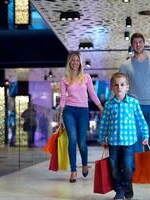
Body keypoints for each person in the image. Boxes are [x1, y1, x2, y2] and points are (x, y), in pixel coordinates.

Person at [98, 72, 149, 200]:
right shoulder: (109, 105)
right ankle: (119, 191)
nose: (119, 87)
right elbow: (104, 122)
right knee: (114, 168)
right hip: (113, 143)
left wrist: (145, 135)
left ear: (127, 87)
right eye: (116, 85)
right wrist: (102, 137)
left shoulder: (133, 103)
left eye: (122, 84)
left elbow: (141, 120)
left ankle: (127, 185)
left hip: (129, 142)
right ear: (112, 87)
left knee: (128, 166)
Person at [59, 51, 103, 183]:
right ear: (69, 62)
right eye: (72, 60)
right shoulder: (64, 79)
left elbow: (92, 94)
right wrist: (60, 115)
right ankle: (73, 171)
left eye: (77, 60)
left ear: (80, 62)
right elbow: (62, 97)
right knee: (72, 140)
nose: (75, 62)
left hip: (83, 111)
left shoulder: (86, 77)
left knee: (82, 143)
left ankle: (84, 163)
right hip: (69, 112)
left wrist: (101, 107)